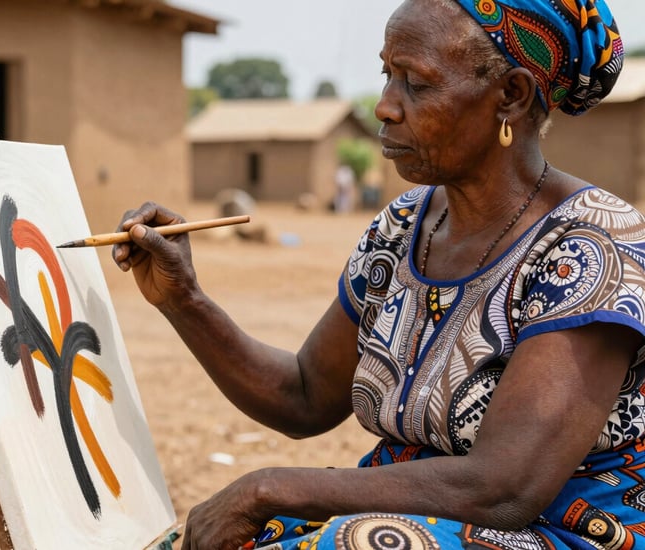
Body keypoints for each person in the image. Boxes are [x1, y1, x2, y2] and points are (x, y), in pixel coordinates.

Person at [113, 0, 645, 548]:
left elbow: (504, 489)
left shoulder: (591, 244)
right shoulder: (404, 225)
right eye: (386, 74)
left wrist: (267, 487)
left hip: (561, 528)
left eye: (415, 83)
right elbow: (305, 396)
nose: (386, 107)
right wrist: (186, 300)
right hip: (403, 512)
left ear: (510, 96)